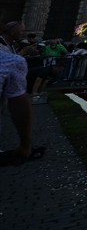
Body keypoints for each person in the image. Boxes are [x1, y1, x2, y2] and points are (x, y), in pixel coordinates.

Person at [1, 21, 40, 166]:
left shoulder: (10, 49)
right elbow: (19, 103)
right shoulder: (8, 55)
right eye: (20, 31)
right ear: (12, 32)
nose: (22, 34)